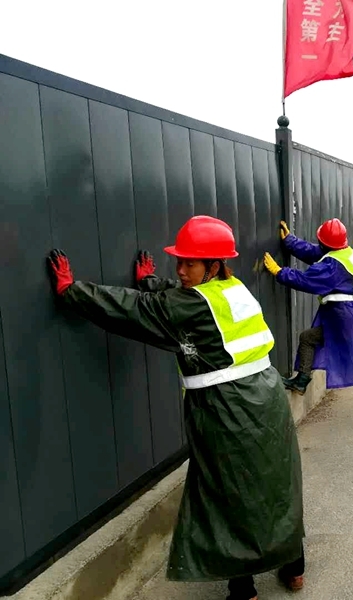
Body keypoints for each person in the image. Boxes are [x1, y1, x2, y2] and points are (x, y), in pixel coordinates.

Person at [46, 216, 306, 600]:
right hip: (267, 399)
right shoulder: (233, 288)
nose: (181, 270)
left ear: (213, 265)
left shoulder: (191, 304)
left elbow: (138, 308)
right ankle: (295, 566)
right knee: (277, 484)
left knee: (228, 494)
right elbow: (177, 297)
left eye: (189, 263)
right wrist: (152, 281)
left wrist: (72, 292)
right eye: (179, 261)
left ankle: (243, 589)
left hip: (227, 410)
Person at [262, 218, 353, 427]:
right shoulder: (340, 252)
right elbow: (313, 252)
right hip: (340, 315)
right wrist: (290, 241)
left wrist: (279, 272)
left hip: (352, 318)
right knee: (308, 338)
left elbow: (306, 281)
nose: (318, 244)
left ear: (325, 243)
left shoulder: (333, 266)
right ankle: (301, 381)